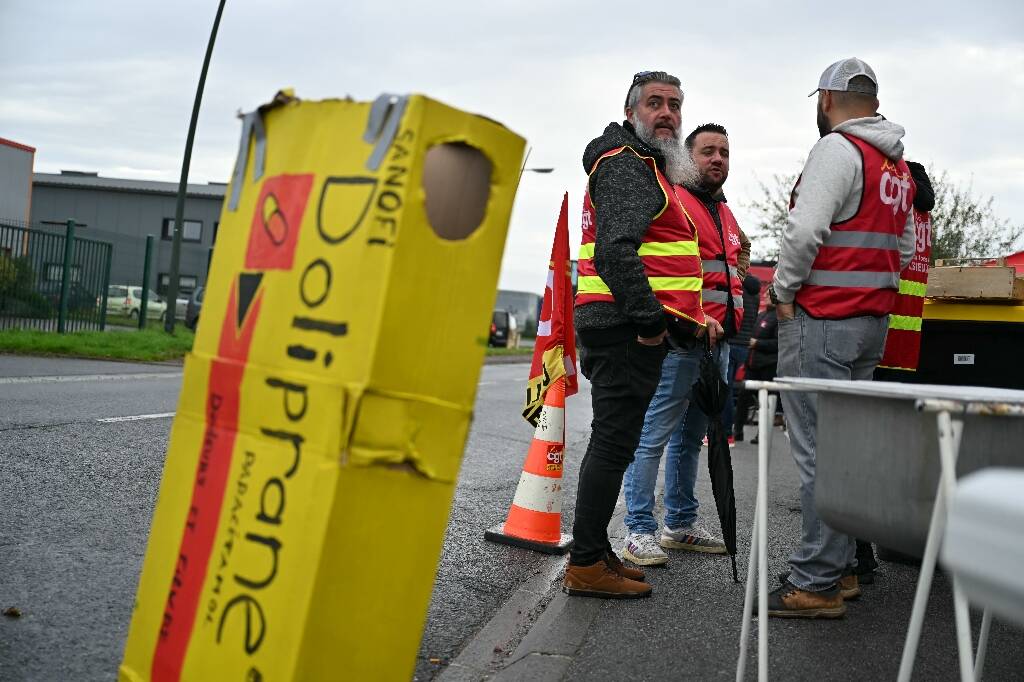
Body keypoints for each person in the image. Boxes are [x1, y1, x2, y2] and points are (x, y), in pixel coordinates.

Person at [765, 57, 918, 618]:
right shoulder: (894, 163)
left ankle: (817, 583)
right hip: (868, 324)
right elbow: (903, 246)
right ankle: (843, 568)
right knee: (845, 455)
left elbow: (805, 229)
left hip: (822, 320)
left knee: (818, 457)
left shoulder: (838, 149)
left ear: (826, 100)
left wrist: (784, 293)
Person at [565, 71, 720, 598]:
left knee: (618, 442)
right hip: (625, 330)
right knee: (614, 444)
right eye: (655, 103)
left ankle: (596, 553)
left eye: (675, 105)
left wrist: (689, 319)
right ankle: (586, 564)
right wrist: (653, 325)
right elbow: (614, 253)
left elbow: (660, 261)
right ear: (631, 111)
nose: (668, 114)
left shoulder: (647, 167)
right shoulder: (629, 165)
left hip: (626, 327)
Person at [620, 122, 747, 567]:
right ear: (688, 158)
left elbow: (737, 256)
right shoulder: (675, 200)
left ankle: (680, 524)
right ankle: (638, 530)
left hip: (719, 344)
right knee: (653, 435)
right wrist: (693, 316)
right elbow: (657, 267)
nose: (717, 159)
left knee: (691, 438)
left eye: (724, 152)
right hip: (681, 340)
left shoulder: (722, 211)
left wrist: (735, 298)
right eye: (707, 151)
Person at [856, 159, 935, 579]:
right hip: (907, 347)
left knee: (858, 451)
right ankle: (891, 539)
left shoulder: (894, 202)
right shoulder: (922, 210)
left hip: (875, 338)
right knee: (892, 453)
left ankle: (858, 554)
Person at [733, 301, 778, 443]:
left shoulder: (778, 317)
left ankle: (762, 436)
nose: (766, 297)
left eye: (769, 295)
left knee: (766, 402)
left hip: (768, 365)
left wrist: (758, 343)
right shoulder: (761, 315)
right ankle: (738, 431)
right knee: (742, 398)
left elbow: (779, 343)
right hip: (753, 364)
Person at [726, 273, 762, 441]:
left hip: (732, 341)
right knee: (733, 390)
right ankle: (731, 430)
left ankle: (727, 431)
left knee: (724, 389)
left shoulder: (735, 284)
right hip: (745, 345)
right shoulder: (755, 292)